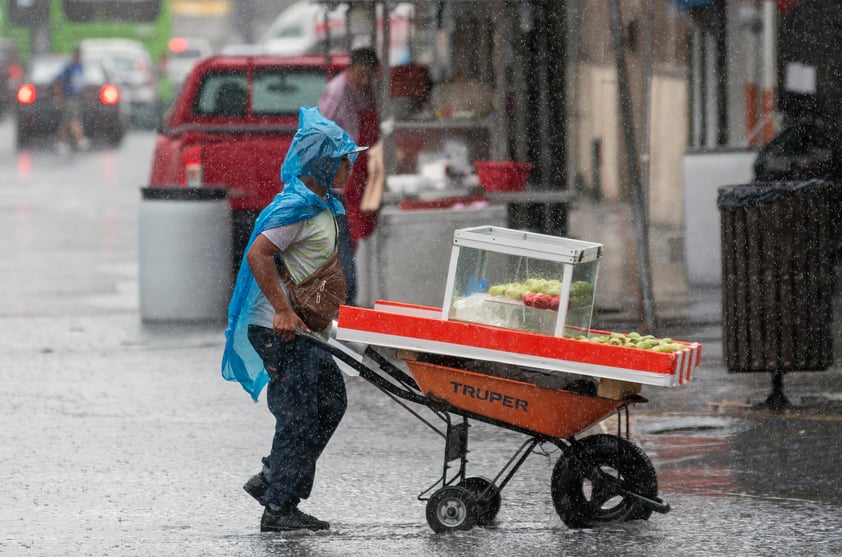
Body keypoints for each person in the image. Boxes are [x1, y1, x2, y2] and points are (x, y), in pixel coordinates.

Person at [221, 106, 366, 533]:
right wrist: (283, 310)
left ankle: (274, 478)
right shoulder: (297, 206)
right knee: (299, 414)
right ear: (323, 162)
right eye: (343, 159)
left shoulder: (322, 203)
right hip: (279, 328)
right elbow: (257, 255)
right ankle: (279, 507)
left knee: (329, 402)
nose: (349, 166)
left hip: (305, 328)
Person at [318, 46, 382, 306]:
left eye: (371, 76)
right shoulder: (337, 92)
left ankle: (349, 301)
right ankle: (344, 304)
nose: (367, 81)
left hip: (359, 177)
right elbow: (319, 134)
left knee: (353, 241)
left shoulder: (363, 90)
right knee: (343, 243)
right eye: (363, 74)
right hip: (339, 181)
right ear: (352, 67)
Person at [56, 47, 89, 153]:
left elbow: (81, 83)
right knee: (73, 119)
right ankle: (80, 139)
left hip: (77, 97)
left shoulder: (80, 67)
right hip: (70, 98)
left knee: (66, 121)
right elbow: (59, 81)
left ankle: (62, 142)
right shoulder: (69, 67)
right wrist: (60, 96)